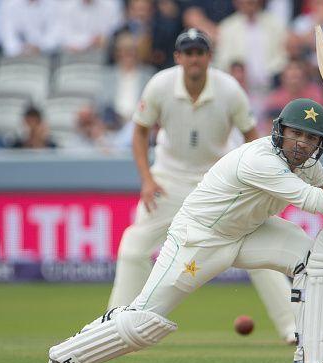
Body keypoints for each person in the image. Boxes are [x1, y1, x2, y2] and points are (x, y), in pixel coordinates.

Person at [42, 97, 323, 363]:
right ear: (280, 131)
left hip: (249, 231)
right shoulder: (259, 160)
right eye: (296, 134)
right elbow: (316, 202)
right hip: (199, 241)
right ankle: (62, 359)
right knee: (144, 322)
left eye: (311, 139)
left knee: (314, 256)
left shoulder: (305, 164)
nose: (302, 144)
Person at [107, 28, 297, 344]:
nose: (194, 59)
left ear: (209, 57)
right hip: (167, 181)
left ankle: (292, 327)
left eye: (200, 53)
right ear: (178, 57)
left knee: (259, 249)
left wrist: (257, 181)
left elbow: (253, 138)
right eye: (188, 53)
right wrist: (147, 179)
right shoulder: (160, 85)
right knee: (132, 247)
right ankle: (113, 324)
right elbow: (140, 132)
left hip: (218, 184)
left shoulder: (229, 90)